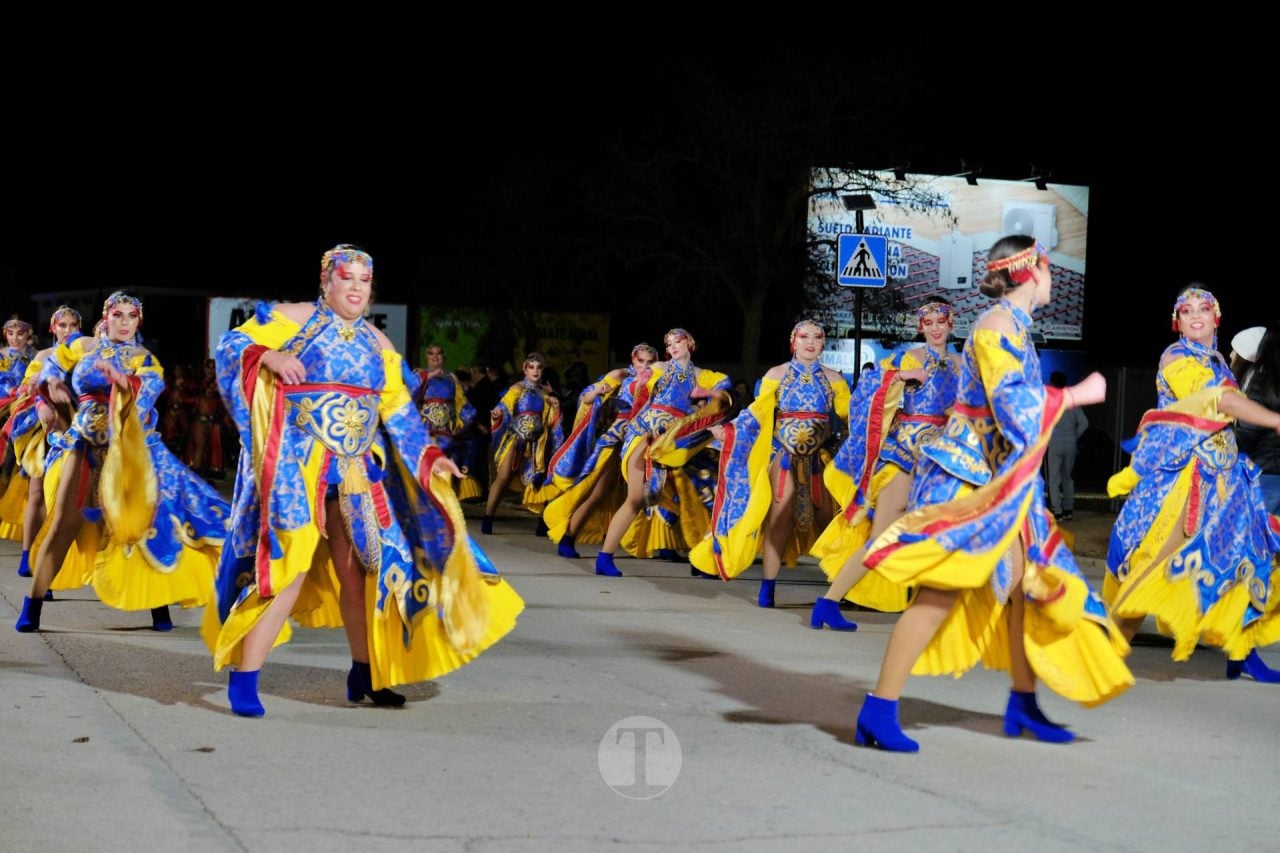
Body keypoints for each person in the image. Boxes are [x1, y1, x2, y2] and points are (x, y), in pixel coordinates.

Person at [207, 245, 523, 716]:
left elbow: (397, 410)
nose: (355, 288)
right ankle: (246, 675)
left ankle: (366, 673)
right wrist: (268, 356)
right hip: (297, 463)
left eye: (363, 280)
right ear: (326, 282)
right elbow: (230, 347)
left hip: (355, 467)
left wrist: (430, 456)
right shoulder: (293, 318)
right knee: (288, 567)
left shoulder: (380, 345)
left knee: (360, 572)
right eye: (346, 278)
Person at [852, 236, 1132, 752]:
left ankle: (1022, 704)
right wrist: (1075, 394)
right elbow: (1010, 404)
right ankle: (878, 709)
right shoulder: (998, 325)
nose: (1054, 279)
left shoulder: (1016, 327)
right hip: (968, 478)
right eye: (1050, 269)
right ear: (1030, 272)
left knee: (1028, 587)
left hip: (1002, 478)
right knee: (941, 591)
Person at [14, 293, 228, 633]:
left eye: (132, 316)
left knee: (138, 525)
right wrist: (51, 383)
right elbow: (48, 367)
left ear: (138, 322)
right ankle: (33, 606)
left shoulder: (144, 358)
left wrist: (123, 381)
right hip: (84, 443)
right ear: (106, 317)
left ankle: (158, 606)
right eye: (118, 315)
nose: (125, 322)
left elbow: (150, 390)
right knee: (63, 524)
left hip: (127, 452)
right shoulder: (82, 347)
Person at [1106, 288, 1280, 682]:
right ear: (1177, 321)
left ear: (1216, 318)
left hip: (1225, 479)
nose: (1196, 316)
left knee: (1243, 564)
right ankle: (1107, 652)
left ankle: (1243, 657)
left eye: (1204, 309)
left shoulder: (1219, 359)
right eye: (1187, 311)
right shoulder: (1177, 358)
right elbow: (1218, 402)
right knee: (1152, 567)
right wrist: (1272, 420)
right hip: (1185, 481)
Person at [808, 300, 960, 630]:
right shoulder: (908, 359)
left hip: (939, 465)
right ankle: (828, 602)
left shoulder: (962, 365)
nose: (935, 328)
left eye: (941, 321)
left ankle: (931, 613)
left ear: (951, 324)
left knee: (935, 537)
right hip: (903, 458)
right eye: (928, 322)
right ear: (921, 327)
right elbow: (869, 387)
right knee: (881, 539)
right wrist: (903, 376)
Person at [690, 321, 851, 607]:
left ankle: (842, 589)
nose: (811, 342)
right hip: (785, 456)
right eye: (804, 336)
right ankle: (768, 586)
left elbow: (853, 417)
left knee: (832, 521)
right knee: (781, 517)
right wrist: (729, 430)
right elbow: (757, 413)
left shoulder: (835, 379)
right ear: (793, 342)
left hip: (819, 458)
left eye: (817, 337)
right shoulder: (777, 374)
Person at [594, 328, 731, 577]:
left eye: (677, 341)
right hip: (645, 433)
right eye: (668, 344)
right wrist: (642, 382)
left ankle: (703, 559)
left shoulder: (702, 375)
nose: (672, 347)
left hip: (674, 441)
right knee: (635, 498)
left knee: (700, 492)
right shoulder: (660, 367)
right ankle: (604, 557)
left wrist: (709, 393)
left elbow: (725, 388)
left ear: (690, 343)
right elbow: (640, 390)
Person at [543, 343, 659, 558]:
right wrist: (598, 390)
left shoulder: (659, 378)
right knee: (598, 492)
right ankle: (569, 536)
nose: (645, 366)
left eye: (650, 362)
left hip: (645, 440)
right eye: (641, 361)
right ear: (633, 360)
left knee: (658, 489)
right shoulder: (621, 375)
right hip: (616, 440)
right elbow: (586, 399)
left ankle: (665, 545)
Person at [0, 307, 82, 579]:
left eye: (72, 325)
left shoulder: (86, 356)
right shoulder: (44, 356)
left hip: (79, 432)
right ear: (53, 328)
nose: (67, 330)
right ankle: (27, 554)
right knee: (38, 493)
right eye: (62, 325)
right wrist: (38, 394)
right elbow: (25, 391)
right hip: (45, 432)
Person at [480, 352, 564, 534]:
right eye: (531, 367)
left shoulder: (544, 393)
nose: (535, 371)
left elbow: (550, 419)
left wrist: (554, 404)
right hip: (516, 438)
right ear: (524, 369)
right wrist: (498, 413)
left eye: (539, 367)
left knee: (542, 480)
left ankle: (543, 522)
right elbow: (505, 405)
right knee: (503, 478)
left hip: (537, 443)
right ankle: (487, 518)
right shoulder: (516, 389)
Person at [412, 343, 480, 501]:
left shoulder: (452, 378)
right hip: (426, 432)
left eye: (438, 353)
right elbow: (407, 396)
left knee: (448, 472)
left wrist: (463, 424)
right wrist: (426, 377)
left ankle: (446, 506)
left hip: (449, 433)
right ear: (426, 357)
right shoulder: (419, 375)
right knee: (426, 470)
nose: (435, 357)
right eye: (431, 354)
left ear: (444, 357)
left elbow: (462, 404)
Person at [1235, 326, 1280, 513]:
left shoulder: (1261, 385)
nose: (1230, 355)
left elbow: (1245, 434)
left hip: (1263, 478)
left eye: (1235, 351)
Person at [1046, 371, 1088, 521]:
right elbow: (1084, 423)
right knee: (1067, 477)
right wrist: (1073, 436)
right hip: (1070, 443)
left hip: (1055, 442)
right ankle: (1068, 509)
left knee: (1054, 478)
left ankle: (1057, 511)